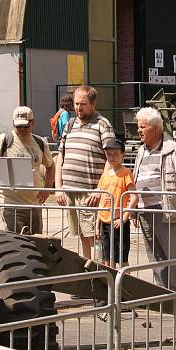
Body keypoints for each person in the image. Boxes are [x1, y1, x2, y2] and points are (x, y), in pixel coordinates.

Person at [0, 106, 54, 234]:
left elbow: (50, 166)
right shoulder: (3, 140)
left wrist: (47, 188)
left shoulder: (40, 143)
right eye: (18, 126)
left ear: (32, 123)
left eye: (25, 126)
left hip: (34, 204)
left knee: (37, 244)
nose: (22, 129)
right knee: (15, 243)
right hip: (9, 205)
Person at [132, 107, 176, 291]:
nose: (139, 131)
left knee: (173, 255)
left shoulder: (174, 149)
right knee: (155, 256)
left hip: (166, 211)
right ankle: (162, 292)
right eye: (138, 127)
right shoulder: (141, 151)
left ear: (156, 128)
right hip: (145, 210)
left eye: (143, 127)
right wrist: (134, 210)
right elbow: (136, 178)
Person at [55, 85, 116, 259]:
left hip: (91, 193)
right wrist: (59, 187)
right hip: (71, 191)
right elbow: (61, 156)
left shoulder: (102, 124)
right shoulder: (70, 124)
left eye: (83, 104)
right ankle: (88, 267)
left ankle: (98, 270)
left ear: (93, 104)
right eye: (76, 104)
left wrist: (99, 189)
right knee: (82, 234)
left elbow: (111, 159)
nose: (78, 108)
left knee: (94, 234)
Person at [93, 138, 138, 268]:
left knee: (122, 259)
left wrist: (124, 218)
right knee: (107, 258)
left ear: (122, 155)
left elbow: (134, 197)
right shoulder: (105, 175)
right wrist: (98, 223)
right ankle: (110, 286)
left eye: (115, 154)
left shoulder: (126, 173)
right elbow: (102, 200)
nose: (111, 157)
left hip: (118, 222)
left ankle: (124, 286)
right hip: (105, 222)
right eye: (109, 154)